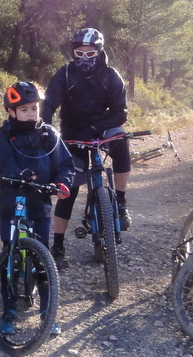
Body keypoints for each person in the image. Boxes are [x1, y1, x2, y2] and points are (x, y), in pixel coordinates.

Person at [0, 81, 79, 334]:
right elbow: (3, 162)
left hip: (40, 201)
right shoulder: (3, 137)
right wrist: (17, 174)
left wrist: (62, 183)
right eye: (24, 110)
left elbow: (65, 164)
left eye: (34, 108)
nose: (31, 114)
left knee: (43, 259)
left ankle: (46, 311)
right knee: (9, 255)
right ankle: (8, 309)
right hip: (12, 200)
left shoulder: (49, 135)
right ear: (11, 112)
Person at [42, 28, 132, 264]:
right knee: (69, 184)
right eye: (79, 53)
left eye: (90, 53)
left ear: (99, 52)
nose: (84, 58)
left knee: (121, 141)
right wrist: (46, 128)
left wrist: (95, 128)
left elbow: (120, 112)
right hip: (72, 130)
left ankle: (121, 201)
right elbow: (49, 103)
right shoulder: (65, 74)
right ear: (73, 52)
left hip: (102, 126)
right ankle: (58, 244)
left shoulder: (111, 75)